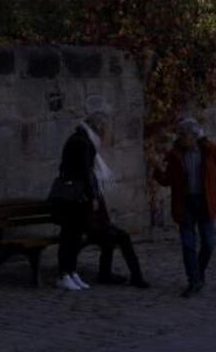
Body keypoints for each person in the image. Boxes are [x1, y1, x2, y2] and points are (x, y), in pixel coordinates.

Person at [51, 111, 148, 291]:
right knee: (70, 237)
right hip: (74, 198)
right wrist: (93, 196)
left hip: (75, 198)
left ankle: (70, 273)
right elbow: (85, 173)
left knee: (73, 236)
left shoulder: (81, 140)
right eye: (105, 129)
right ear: (99, 128)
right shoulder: (83, 143)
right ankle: (65, 274)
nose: (106, 134)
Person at [152, 118, 216, 298]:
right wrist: (156, 170)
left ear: (194, 135)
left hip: (205, 201)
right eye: (179, 135)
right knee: (188, 244)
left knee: (209, 243)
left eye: (183, 135)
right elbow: (168, 180)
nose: (179, 138)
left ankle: (199, 272)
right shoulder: (175, 154)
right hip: (185, 202)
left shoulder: (211, 150)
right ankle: (193, 280)